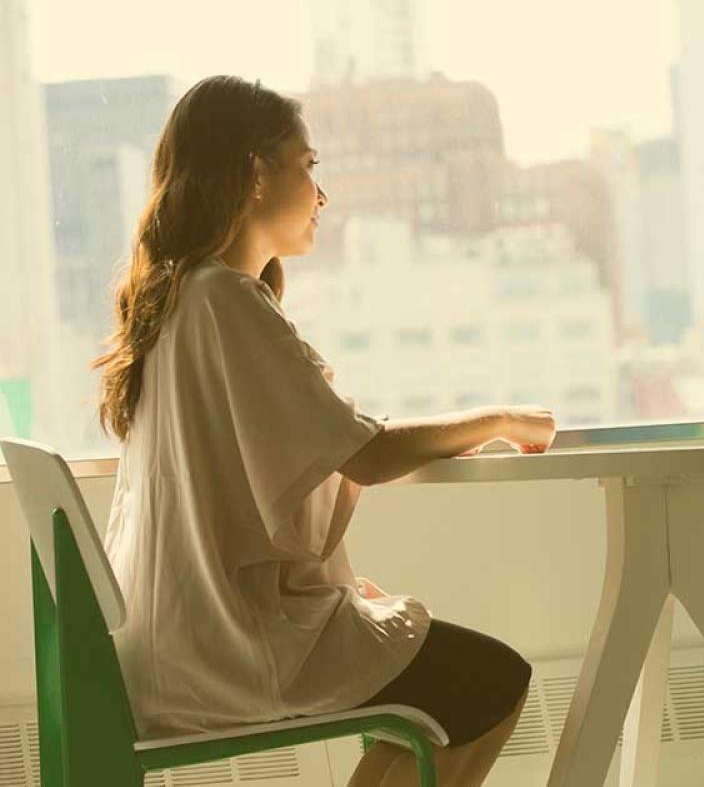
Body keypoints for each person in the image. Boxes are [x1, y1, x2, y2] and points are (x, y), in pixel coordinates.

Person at [95, 75, 556, 787]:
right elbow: (365, 453)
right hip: (226, 651)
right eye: (308, 167)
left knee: (451, 696)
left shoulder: (181, 299)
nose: (322, 192)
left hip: (174, 641)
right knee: (490, 681)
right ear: (254, 174)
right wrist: (497, 419)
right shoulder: (223, 299)